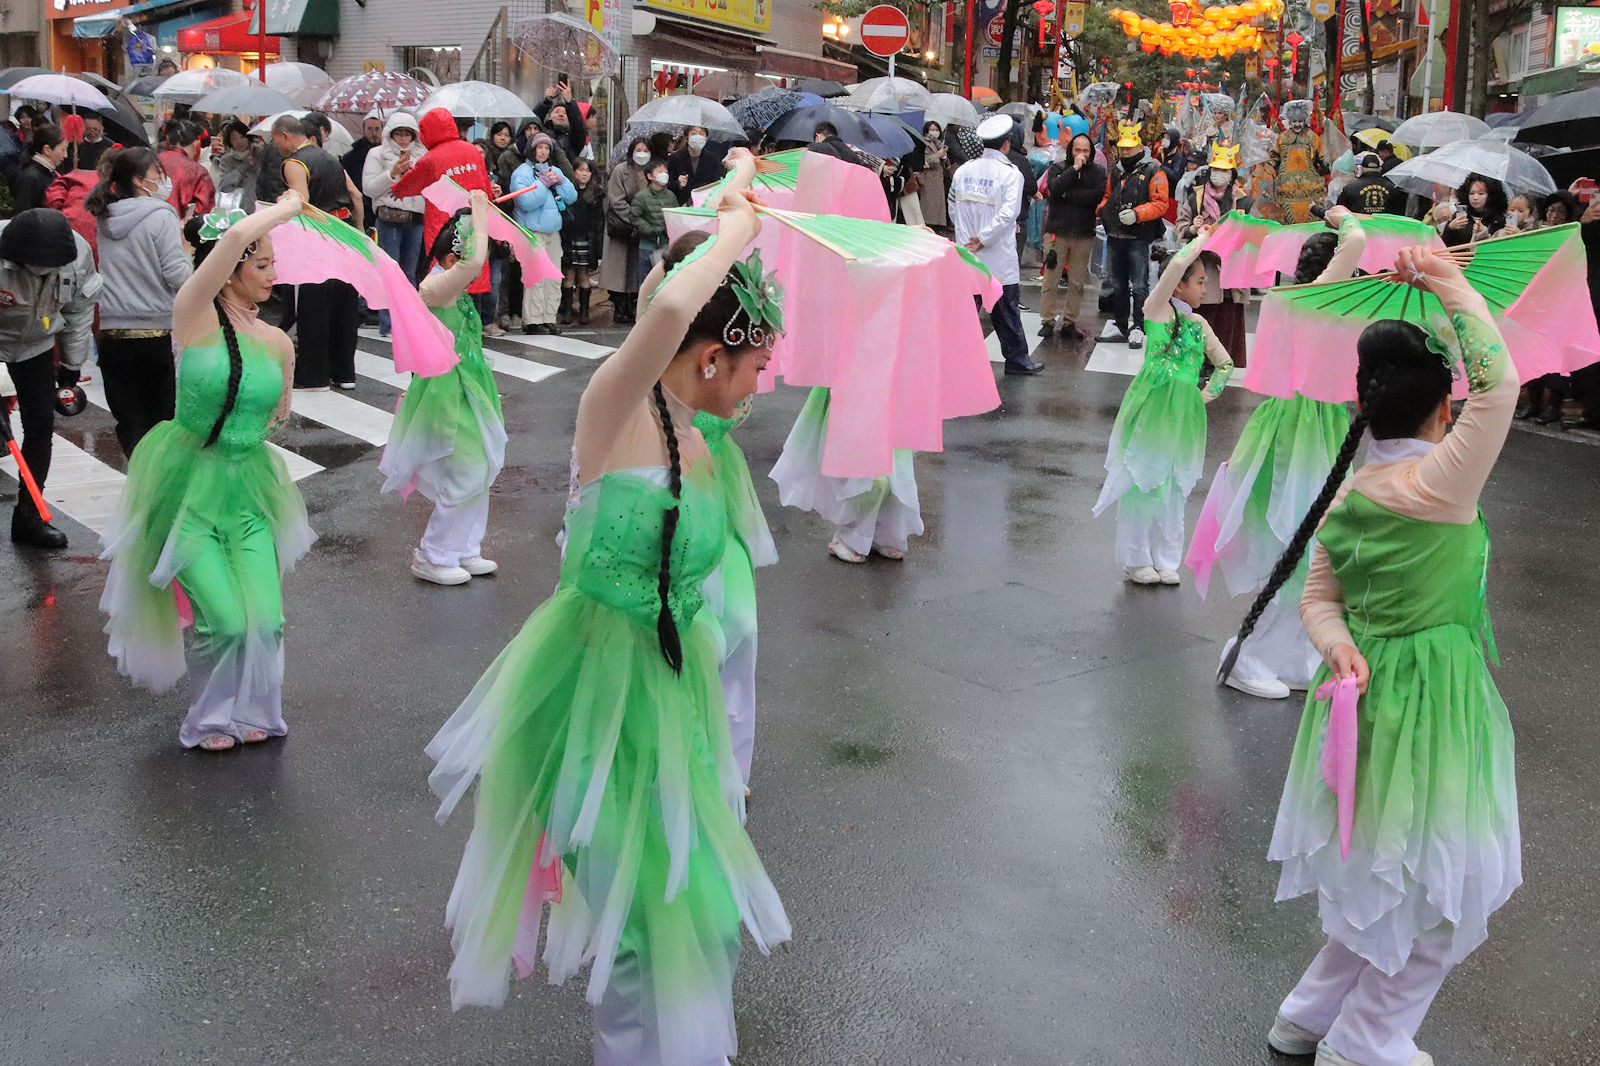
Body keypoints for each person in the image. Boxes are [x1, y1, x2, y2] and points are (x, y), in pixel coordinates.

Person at [424, 150, 790, 1065]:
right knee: (639, 922)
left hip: (670, 694)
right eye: (756, 365)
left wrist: (735, 195)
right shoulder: (615, 411)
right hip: (591, 694)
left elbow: (678, 293)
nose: (762, 383)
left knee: (701, 912)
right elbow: (665, 309)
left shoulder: (698, 436)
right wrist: (739, 229)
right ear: (712, 357)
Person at [1237, 245, 1521, 1066]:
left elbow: (1318, 600)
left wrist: (1338, 649)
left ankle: (1308, 1016)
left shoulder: (1355, 491)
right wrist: (1449, 283)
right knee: (1440, 886)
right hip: (1433, 701)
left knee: (1389, 868)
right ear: (1444, 409)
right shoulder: (1439, 484)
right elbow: (1500, 384)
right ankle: (1366, 1040)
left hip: (1366, 700)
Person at [99, 194, 314, 752]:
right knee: (224, 621)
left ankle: (257, 711)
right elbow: (232, 241)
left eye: (273, 264)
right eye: (261, 264)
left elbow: (279, 415)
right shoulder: (192, 315)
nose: (272, 275)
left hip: (249, 489)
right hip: (186, 486)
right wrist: (286, 208)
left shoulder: (276, 342)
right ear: (230, 269)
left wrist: (245, 429)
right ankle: (211, 719)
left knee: (265, 621)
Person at [1191, 209, 1365, 699]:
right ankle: (1248, 656)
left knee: (1313, 550)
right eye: (1350, 271)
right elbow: (1354, 245)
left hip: (1318, 428)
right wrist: (1347, 220)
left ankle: (1291, 657)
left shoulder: (1314, 306)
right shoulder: (1306, 301)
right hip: (1298, 433)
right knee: (1298, 546)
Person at [1091, 231, 1233, 585]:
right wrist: (1199, 241)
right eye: (1199, 281)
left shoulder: (1200, 325)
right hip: (1152, 412)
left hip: (1185, 417)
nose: (1205, 289)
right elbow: (1176, 266)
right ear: (1179, 285)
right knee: (1144, 484)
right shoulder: (1156, 311)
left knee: (1174, 489)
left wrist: (1202, 396)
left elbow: (1225, 364)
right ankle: (1136, 558)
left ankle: (1166, 559)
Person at [379, 191, 506, 585]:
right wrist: (480, 213)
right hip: (444, 392)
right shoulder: (435, 287)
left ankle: (465, 548)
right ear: (452, 258)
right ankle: (433, 554)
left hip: (471, 388)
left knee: (480, 469)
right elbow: (476, 261)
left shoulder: (452, 287)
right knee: (463, 472)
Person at [0, 209, 103, 549]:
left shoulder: (77, 255)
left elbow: (79, 312)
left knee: (40, 429)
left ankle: (29, 518)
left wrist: (71, 366)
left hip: (36, 344)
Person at [88, 147, 193, 458]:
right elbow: (177, 275)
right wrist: (187, 249)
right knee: (161, 420)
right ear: (138, 180)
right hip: (155, 331)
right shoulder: (161, 214)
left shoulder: (105, 215)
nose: (164, 178)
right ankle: (157, 482)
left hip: (112, 331)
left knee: (130, 419)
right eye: (157, 172)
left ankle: (138, 476)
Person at [271, 113, 363, 390]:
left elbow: (302, 202)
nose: (275, 146)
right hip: (345, 232)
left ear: (285, 135)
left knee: (314, 307)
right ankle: (344, 373)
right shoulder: (330, 158)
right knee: (344, 305)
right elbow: (356, 195)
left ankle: (315, 376)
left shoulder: (294, 162)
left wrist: (283, 204)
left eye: (275, 140)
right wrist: (359, 232)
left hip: (318, 235)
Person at [951, 114, 1040, 376]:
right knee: (1006, 310)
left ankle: (955, 360)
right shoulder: (1011, 174)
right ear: (1006, 144)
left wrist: (968, 238)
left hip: (967, 253)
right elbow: (1009, 214)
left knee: (965, 312)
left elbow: (953, 207)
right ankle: (1017, 360)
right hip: (998, 255)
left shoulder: (963, 171)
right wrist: (984, 238)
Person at [391, 107, 496, 318]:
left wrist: (397, 179)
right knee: (471, 271)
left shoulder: (431, 159)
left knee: (445, 279)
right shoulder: (472, 151)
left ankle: (444, 326)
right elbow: (487, 191)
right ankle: (471, 324)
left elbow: (404, 188)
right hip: (473, 222)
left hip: (443, 227)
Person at [1175, 140, 1250, 364]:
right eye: (1216, 169)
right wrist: (1193, 228)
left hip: (1231, 268)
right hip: (1204, 268)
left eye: (1224, 170)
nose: (1219, 174)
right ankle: (1200, 363)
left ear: (1232, 174)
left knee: (1227, 320)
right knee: (1202, 317)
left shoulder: (1243, 201)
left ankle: (1222, 363)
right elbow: (1180, 225)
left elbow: (1253, 235)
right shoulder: (1196, 198)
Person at [1099, 118, 1170, 350]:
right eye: (1123, 148)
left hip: (1139, 237)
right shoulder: (1116, 171)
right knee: (1117, 284)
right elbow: (1108, 196)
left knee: (1140, 284)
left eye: (1130, 148)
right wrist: (1103, 212)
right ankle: (1120, 324)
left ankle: (1139, 325)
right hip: (1115, 235)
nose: (1126, 152)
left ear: (1139, 146)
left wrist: (1138, 214)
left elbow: (1161, 203)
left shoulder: (1154, 171)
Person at [363, 112, 426, 338]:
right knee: (390, 271)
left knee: (409, 272)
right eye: (398, 134)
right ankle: (388, 323)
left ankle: (408, 321)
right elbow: (369, 188)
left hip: (415, 218)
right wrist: (392, 173)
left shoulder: (422, 155)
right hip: (388, 218)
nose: (403, 139)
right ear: (390, 134)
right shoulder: (377, 154)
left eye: (407, 134)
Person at [1039, 131, 1105, 341]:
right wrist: (1073, 170)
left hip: (1083, 233)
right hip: (1057, 232)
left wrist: (1068, 195)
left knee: (1077, 282)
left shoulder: (1098, 171)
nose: (1082, 154)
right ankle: (1047, 320)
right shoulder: (1059, 167)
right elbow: (1055, 189)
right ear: (1071, 151)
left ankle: (1069, 321)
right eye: (1078, 150)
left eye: (1086, 150)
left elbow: (1095, 197)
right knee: (1051, 279)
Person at [509, 132, 576, 336]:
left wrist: (560, 181)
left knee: (553, 277)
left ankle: (549, 318)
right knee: (535, 278)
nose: (543, 151)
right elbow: (526, 202)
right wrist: (542, 184)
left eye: (547, 148)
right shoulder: (522, 173)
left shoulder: (554, 170)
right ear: (532, 150)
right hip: (532, 232)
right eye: (539, 147)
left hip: (553, 232)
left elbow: (572, 196)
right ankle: (533, 320)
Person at [601, 136, 651, 325]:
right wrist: (635, 218)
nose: (642, 154)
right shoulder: (620, 170)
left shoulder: (652, 171)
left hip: (644, 227)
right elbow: (616, 199)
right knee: (619, 267)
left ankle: (632, 304)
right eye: (638, 150)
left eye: (646, 150)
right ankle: (619, 305)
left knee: (636, 268)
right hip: (621, 225)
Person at [560, 157, 604, 326]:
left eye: (588, 170)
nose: (584, 174)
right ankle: (567, 310)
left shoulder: (597, 194)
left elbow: (599, 222)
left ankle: (585, 311)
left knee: (584, 275)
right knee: (569, 274)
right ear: (574, 172)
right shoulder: (567, 192)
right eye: (580, 170)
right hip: (570, 237)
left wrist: (598, 246)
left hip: (587, 239)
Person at [1269, 100, 1327, 224]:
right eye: (1294, 121)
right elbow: (1275, 158)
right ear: (1289, 121)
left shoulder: (1313, 137)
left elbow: (1323, 158)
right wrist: (1268, 168)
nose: (1297, 124)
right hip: (1286, 189)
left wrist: (1327, 165)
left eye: (1300, 121)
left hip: (1310, 189)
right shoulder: (1282, 138)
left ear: (1304, 120)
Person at [158, 120, 216, 221]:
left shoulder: (153, 161)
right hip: (180, 226)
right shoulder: (198, 171)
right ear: (195, 144)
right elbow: (204, 207)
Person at [630, 157, 678, 278]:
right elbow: (634, 217)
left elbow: (676, 216)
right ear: (650, 176)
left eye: (666, 172)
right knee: (646, 277)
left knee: (665, 277)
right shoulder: (642, 196)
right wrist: (650, 229)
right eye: (660, 172)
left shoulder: (671, 196)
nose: (664, 175)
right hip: (647, 244)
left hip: (665, 244)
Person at [1439, 173, 1507, 248]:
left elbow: (1501, 246)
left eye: (1481, 194)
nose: (1475, 197)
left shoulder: (1498, 219)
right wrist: (1450, 228)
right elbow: (1445, 246)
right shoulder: (1461, 215)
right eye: (1471, 193)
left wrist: (1485, 233)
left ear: (1491, 195)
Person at [11, 122, 67, 212]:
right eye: (63, 149)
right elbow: (23, 213)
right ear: (47, 150)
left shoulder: (52, 173)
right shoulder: (30, 177)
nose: (65, 155)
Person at [667, 124, 727, 206]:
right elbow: (668, 184)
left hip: (705, 203)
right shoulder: (675, 158)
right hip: (681, 203)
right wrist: (678, 183)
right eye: (693, 133)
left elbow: (717, 183)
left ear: (706, 139)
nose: (698, 136)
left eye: (701, 133)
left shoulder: (713, 159)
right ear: (686, 138)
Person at [344, 110, 383, 232]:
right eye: (370, 129)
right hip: (362, 207)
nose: (374, 133)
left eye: (377, 129)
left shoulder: (389, 153)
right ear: (364, 130)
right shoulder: (351, 157)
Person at [535, 79, 588, 163]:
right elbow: (533, 121)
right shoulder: (541, 133)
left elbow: (579, 128)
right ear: (549, 117)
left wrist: (570, 102)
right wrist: (546, 102)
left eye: (565, 113)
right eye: (557, 112)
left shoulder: (574, 140)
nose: (561, 115)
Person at [1336, 151, 1402, 215]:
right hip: (1385, 222)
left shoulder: (1350, 188)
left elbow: (1339, 211)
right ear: (1380, 169)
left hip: (1359, 222)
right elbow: (1399, 212)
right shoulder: (1393, 188)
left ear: (1362, 169)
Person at [214, 121, 260, 213]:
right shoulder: (226, 160)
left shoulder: (259, 154)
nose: (239, 142)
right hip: (236, 208)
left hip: (260, 205)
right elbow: (224, 186)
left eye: (242, 137)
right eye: (234, 139)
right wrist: (243, 167)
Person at [919, 121, 950, 233]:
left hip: (939, 179)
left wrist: (944, 156)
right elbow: (925, 161)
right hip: (929, 179)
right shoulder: (924, 143)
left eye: (937, 130)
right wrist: (937, 155)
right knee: (929, 207)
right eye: (932, 129)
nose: (935, 132)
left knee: (937, 207)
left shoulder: (940, 144)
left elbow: (947, 165)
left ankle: (937, 227)